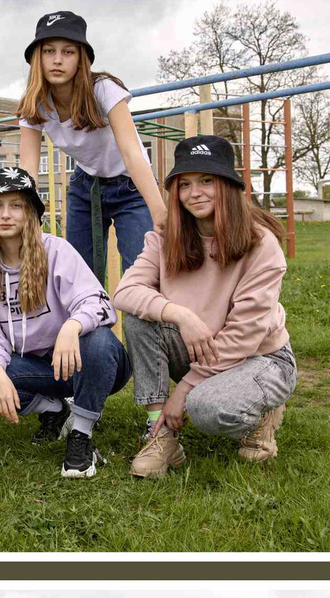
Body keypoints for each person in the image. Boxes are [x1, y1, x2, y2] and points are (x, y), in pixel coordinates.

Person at [115, 135, 297, 475]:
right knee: (141, 319)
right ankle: (162, 435)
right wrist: (179, 314)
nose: (194, 192)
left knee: (207, 409)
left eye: (206, 181)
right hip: (202, 348)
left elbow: (244, 335)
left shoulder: (261, 245)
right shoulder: (166, 237)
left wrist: (184, 389)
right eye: (185, 184)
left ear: (227, 185)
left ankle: (262, 414)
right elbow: (126, 291)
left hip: (261, 358)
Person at [0, 166, 131, 479]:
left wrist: (71, 326)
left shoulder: (57, 250)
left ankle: (81, 434)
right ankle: (53, 409)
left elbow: (99, 304)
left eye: (17, 205)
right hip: (40, 370)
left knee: (98, 339)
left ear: (32, 213)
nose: (6, 214)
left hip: (86, 362)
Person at [16, 9, 168, 286]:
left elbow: (132, 153)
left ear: (81, 57)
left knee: (141, 274)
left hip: (131, 187)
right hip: (86, 187)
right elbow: (28, 168)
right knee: (79, 277)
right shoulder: (34, 103)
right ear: (37, 58)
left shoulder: (104, 89)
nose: (58, 60)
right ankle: (90, 329)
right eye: (49, 51)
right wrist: (26, 214)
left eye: (68, 52)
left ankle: (143, 326)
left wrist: (159, 211)